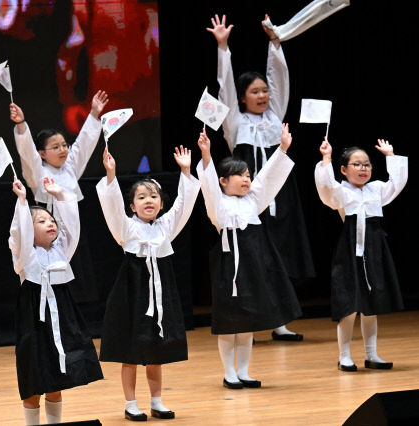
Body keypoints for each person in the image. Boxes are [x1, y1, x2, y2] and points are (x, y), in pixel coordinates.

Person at [207, 14, 314, 341]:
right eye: (255, 92)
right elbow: (224, 89)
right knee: (252, 257)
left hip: (279, 195)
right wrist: (223, 47)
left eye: (265, 91)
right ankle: (251, 320)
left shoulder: (273, 118)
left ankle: (279, 321)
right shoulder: (235, 124)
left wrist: (275, 42)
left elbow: (280, 78)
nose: (264, 96)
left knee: (279, 254)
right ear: (243, 98)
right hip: (245, 202)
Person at [96, 146, 200, 421]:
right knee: (129, 351)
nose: (148, 200)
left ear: (161, 203)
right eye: (141, 197)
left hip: (161, 292)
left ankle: (157, 400)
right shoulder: (126, 228)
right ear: (132, 206)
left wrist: (186, 171)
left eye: (153, 196)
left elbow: (184, 206)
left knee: (156, 349)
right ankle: (131, 403)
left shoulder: (166, 227)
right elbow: (112, 206)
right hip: (132, 292)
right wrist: (110, 174)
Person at [196, 124, 302, 389]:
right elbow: (208, 186)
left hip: (253, 266)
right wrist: (206, 155)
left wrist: (282, 148)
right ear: (223, 180)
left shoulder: (253, 201)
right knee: (230, 321)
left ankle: (243, 371)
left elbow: (268, 177)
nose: (246, 179)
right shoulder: (218, 204)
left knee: (248, 321)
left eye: (247, 175)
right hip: (229, 267)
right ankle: (229, 372)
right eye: (239, 175)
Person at [9, 177, 103, 425]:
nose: (50, 224)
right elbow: (19, 232)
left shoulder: (62, 250)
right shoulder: (24, 255)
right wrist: (22, 201)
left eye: (51, 220)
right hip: (34, 319)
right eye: (41, 221)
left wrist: (60, 196)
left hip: (62, 314)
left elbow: (72, 226)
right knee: (33, 376)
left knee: (56, 375)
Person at [314, 138, 408, 371]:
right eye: (357, 164)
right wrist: (326, 158)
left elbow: (397, 183)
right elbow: (326, 190)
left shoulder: (376, 189)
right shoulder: (342, 192)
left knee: (372, 305)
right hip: (350, 251)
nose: (363, 168)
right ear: (344, 170)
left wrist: (390, 156)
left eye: (366, 164)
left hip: (375, 250)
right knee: (348, 306)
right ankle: (344, 355)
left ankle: (371, 354)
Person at [9, 90, 108, 303]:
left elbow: (83, 146)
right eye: (55, 147)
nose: (63, 150)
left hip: (71, 225)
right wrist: (21, 124)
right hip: (45, 227)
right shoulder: (37, 172)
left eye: (64, 145)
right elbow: (27, 154)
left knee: (77, 272)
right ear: (42, 153)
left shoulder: (70, 167)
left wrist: (93, 115)